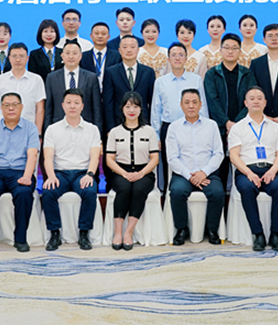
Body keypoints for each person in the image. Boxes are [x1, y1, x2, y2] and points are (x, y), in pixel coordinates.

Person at [0, 93, 40, 252]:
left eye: (15, 104)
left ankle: (20, 239)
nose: (11, 108)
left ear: (21, 107)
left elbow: (32, 154)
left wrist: (27, 176)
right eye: (6, 105)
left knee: (24, 193)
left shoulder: (30, 128)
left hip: (20, 172)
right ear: (1, 108)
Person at [229, 86, 278, 251]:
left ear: (265, 103)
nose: (256, 101)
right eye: (252, 98)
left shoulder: (275, 127)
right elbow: (234, 156)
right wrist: (249, 173)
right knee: (247, 189)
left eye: (259, 98)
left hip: (270, 169)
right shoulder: (238, 128)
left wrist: (273, 171)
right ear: (245, 103)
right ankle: (258, 234)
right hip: (246, 171)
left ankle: (275, 235)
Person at [42, 89, 102, 251]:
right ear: (63, 105)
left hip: (82, 172)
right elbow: (48, 157)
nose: (72, 106)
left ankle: (84, 233)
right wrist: (51, 176)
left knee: (89, 191)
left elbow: (95, 156)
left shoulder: (92, 129)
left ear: (82, 106)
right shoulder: (52, 129)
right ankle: (55, 233)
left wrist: (90, 174)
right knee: (48, 192)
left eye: (76, 103)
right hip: (60, 173)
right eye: (69, 103)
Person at [167, 89, 225, 245]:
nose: (191, 106)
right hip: (183, 174)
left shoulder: (211, 125)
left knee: (217, 192)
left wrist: (203, 173)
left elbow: (218, 153)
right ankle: (181, 229)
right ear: (181, 105)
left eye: (194, 102)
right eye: (187, 102)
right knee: (177, 191)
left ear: (200, 104)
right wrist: (190, 176)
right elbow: (172, 158)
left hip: (208, 173)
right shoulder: (174, 127)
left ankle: (212, 230)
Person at [105, 91, 159, 251]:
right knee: (124, 188)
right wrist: (124, 173)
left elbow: (154, 158)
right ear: (122, 109)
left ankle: (128, 232)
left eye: (135, 106)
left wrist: (141, 173)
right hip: (121, 171)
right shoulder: (114, 132)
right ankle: (118, 232)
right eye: (128, 106)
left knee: (139, 189)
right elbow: (109, 159)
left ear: (141, 109)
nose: (131, 110)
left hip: (145, 172)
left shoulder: (149, 131)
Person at [152, 42, 208, 188]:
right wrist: (156, 135)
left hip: (192, 126)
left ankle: (196, 186)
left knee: (194, 159)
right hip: (168, 127)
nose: (177, 58)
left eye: (181, 55)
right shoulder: (160, 82)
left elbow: (202, 105)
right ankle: (168, 192)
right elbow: (156, 110)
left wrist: (205, 128)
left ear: (186, 58)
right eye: (174, 55)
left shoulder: (195, 79)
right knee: (168, 163)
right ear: (168, 59)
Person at [204, 33, 254, 189]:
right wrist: (226, 123)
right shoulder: (212, 74)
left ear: (240, 51)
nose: (230, 51)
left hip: (243, 127)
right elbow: (212, 101)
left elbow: (251, 101)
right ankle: (221, 200)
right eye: (226, 48)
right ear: (220, 50)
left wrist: (235, 124)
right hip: (218, 128)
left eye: (234, 48)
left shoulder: (247, 74)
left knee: (243, 164)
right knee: (220, 167)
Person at [43, 39, 102, 132]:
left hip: (85, 128)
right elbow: (48, 109)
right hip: (58, 128)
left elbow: (97, 109)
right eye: (67, 53)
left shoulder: (91, 78)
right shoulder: (52, 78)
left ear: (80, 56)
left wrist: (98, 132)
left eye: (74, 53)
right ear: (62, 56)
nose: (71, 56)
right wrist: (47, 132)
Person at [0, 43, 46, 134]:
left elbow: (40, 109)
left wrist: (38, 133)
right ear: (9, 58)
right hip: (3, 131)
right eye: (14, 56)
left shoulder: (36, 80)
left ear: (27, 58)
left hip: (29, 131)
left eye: (21, 56)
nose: (18, 60)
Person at [103, 35, 156, 133]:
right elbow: (108, 103)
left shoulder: (148, 72)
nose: (128, 50)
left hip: (143, 123)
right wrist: (110, 129)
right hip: (118, 123)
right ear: (119, 50)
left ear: (138, 50)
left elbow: (152, 102)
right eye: (125, 47)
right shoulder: (111, 72)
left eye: (132, 47)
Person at [80, 22, 120, 88]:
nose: (100, 36)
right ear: (91, 36)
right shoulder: (83, 57)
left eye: (103, 34)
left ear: (108, 37)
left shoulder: (117, 56)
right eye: (96, 33)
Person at [28, 19, 64, 83]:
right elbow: (32, 76)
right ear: (40, 33)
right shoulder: (34, 54)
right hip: (41, 86)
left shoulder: (63, 52)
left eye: (52, 31)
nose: (49, 34)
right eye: (45, 31)